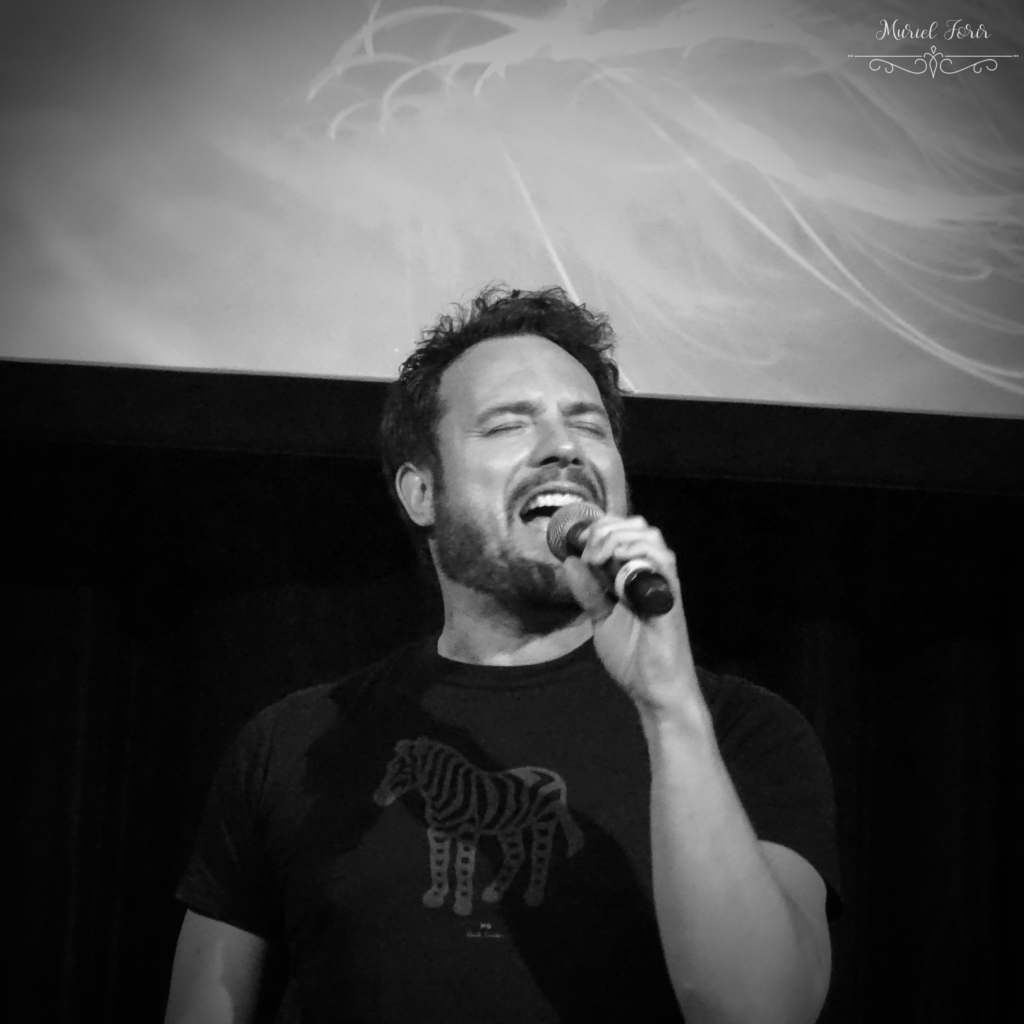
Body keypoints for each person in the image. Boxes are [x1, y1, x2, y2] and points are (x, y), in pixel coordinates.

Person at [165, 285, 842, 1024]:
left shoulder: (742, 733)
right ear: (422, 492)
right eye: (508, 425)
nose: (562, 447)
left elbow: (759, 1011)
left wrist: (668, 705)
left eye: (588, 425)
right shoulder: (293, 743)